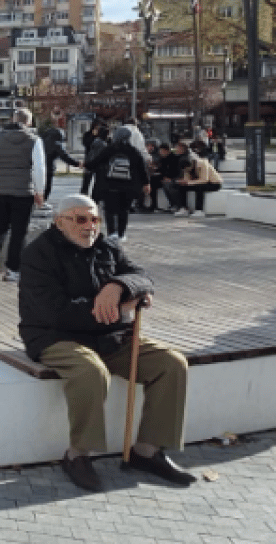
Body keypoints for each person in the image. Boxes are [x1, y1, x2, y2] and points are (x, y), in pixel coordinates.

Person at [19, 194, 194, 493]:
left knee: (171, 364)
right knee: (90, 372)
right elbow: (56, 312)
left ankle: (147, 451)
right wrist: (121, 308)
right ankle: (78, 455)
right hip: (56, 336)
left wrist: (117, 286)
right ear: (59, 222)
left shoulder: (107, 246)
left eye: (95, 219)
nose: (90, 226)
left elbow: (143, 277)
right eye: (80, 219)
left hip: (111, 337)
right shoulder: (38, 253)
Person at [0, 108, 46, 283]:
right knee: (19, 232)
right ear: (29, 122)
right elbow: (39, 169)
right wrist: (39, 192)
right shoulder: (34, 140)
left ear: (13, 119)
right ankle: (12, 270)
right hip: (23, 192)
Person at [83, 127, 149, 245]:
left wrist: (84, 165)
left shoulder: (110, 149)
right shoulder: (133, 151)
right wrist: (146, 183)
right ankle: (121, 234)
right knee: (124, 210)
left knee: (109, 210)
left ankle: (112, 233)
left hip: (110, 185)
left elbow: (96, 162)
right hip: (128, 186)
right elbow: (141, 169)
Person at [174, 150, 223, 218]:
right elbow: (187, 179)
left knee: (199, 187)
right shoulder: (186, 169)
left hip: (214, 183)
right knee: (181, 187)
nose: (187, 171)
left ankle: (199, 210)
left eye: (187, 169)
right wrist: (183, 182)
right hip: (199, 182)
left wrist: (188, 182)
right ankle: (183, 208)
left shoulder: (203, 163)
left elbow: (204, 180)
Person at [40, 127, 80, 207]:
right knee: (47, 185)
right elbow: (64, 156)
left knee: (38, 186)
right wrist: (77, 163)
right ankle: (42, 202)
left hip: (36, 167)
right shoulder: (57, 144)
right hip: (48, 168)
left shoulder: (40, 141)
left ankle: (37, 202)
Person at [80, 123, 101, 196]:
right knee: (87, 179)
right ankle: (84, 194)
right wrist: (93, 136)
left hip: (98, 160)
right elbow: (86, 143)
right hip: (89, 159)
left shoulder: (101, 135)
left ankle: (94, 196)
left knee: (97, 180)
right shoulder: (87, 134)